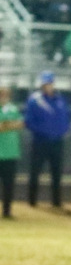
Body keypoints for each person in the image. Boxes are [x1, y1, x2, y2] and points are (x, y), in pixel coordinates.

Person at [24, 71, 71, 207]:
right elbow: (29, 121)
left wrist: (63, 131)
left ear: (53, 84)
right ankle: (32, 200)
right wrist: (43, 131)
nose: (47, 86)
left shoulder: (61, 100)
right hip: (40, 141)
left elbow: (65, 118)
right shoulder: (34, 100)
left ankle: (56, 201)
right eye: (45, 84)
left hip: (57, 141)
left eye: (49, 83)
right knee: (35, 171)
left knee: (56, 172)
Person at [0, 86, 24, 218]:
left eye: (5, 95)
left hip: (10, 153)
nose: (3, 97)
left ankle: (7, 211)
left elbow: (21, 124)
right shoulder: (12, 111)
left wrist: (5, 125)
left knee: (8, 185)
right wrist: (11, 124)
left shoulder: (13, 109)